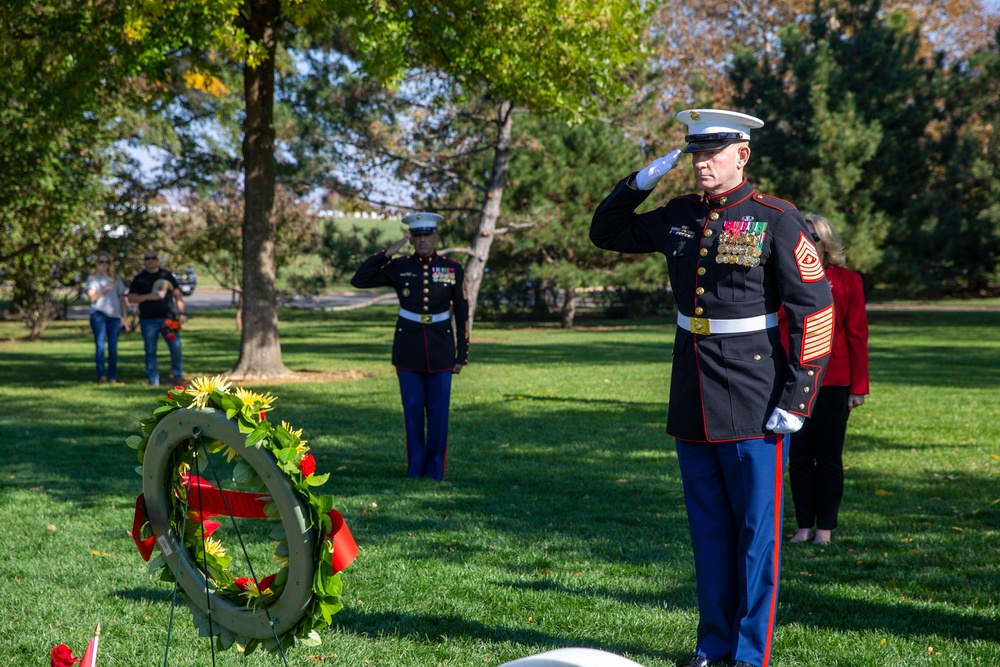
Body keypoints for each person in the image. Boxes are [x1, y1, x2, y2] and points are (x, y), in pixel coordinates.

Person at [590, 109, 835, 667]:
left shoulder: (776, 219)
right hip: (694, 390)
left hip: (756, 395)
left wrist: (798, 399)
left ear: (741, 155)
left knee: (755, 538)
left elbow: (814, 310)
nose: (701, 163)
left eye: (712, 153)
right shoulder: (678, 215)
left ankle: (749, 656)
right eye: (695, 153)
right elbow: (605, 232)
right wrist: (638, 183)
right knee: (709, 535)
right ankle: (712, 646)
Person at [351, 212, 469, 481]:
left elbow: (462, 313)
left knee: (438, 416)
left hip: (440, 350)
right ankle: (415, 470)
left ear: (436, 237)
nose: (422, 240)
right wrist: (387, 253)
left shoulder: (452, 268)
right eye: (417, 236)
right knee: (413, 414)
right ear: (411, 239)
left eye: (427, 235)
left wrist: (462, 353)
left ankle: (436, 471)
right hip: (408, 350)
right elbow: (359, 280)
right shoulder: (399, 266)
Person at [785, 214, 869, 546]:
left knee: (829, 456)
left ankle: (825, 530)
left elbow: (857, 334)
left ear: (826, 243)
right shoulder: (784, 276)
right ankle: (803, 526)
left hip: (834, 380)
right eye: (800, 236)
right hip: (791, 379)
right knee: (799, 456)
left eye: (813, 237)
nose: (806, 241)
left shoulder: (848, 280)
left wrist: (859, 387)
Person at [128, 250, 188, 386]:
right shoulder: (140, 278)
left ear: (158, 260)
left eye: (153, 258)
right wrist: (148, 296)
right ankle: (153, 380)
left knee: (176, 347)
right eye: (147, 258)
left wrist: (182, 313)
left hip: (169, 319)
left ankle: (178, 376)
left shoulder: (166, 275)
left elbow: (178, 294)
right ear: (144, 261)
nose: (150, 261)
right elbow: (131, 298)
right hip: (148, 320)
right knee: (150, 350)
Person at [84, 251, 130, 385]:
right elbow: (92, 298)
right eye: (101, 262)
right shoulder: (92, 279)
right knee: (100, 345)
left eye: (107, 262)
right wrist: (105, 288)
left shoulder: (116, 279)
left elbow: (122, 299)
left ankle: (113, 377)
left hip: (114, 316)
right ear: (97, 264)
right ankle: (101, 375)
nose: (104, 265)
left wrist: (125, 318)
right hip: (98, 314)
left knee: (113, 347)